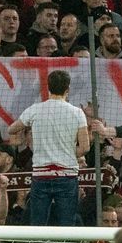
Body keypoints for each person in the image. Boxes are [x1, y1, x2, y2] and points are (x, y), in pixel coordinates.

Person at [10, 70, 89, 225]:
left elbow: (11, 129)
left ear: (48, 88)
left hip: (41, 175)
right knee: (67, 224)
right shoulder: (77, 113)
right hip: (67, 175)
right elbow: (85, 147)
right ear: (68, 89)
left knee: (37, 224)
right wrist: (67, 152)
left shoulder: (35, 109)